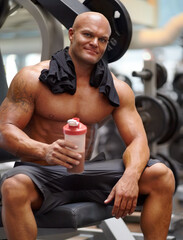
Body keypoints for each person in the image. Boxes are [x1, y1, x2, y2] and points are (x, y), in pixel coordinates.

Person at [0, 11, 175, 240]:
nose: (95, 43)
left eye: (102, 40)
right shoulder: (32, 79)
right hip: (41, 173)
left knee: (162, 175)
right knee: (13, 187)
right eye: (88, 35)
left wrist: (130, 177)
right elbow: (5, 130)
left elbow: (138, 140)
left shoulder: (116, 89)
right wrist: (45, 150)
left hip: (87, 171)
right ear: (71, 35)